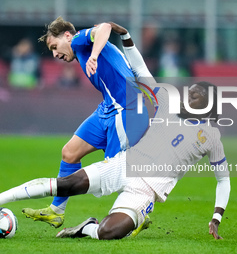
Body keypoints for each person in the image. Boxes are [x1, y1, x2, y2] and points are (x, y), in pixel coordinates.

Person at [0, 25, 230, 240]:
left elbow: (223, 180)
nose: (189, 95)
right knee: (67, 183)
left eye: (195, 95)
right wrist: (127, 38)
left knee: (109, 232)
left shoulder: (210, 137)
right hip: (126, 164)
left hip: (145, 190)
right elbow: (141, 70)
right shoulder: (168, 103)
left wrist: (216, 216)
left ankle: (88, 228)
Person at [21, 17, 149, 228]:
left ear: (67, 36)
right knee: (69, 153)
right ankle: (56, 211)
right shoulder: (80, 49)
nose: (55, 54)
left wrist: (95, 56)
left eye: (54, 47)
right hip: (108, 107)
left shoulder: (79, 40)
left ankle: (140, 210)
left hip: (127, 109)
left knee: (116, 172)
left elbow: (105, 27)